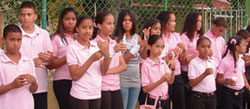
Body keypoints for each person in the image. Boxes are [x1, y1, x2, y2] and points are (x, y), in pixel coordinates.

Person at [67, 15, 112, 109]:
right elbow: (75, 76)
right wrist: (91, 59)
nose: (87, 31)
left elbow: (103, 71)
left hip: (95, 94)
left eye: (90, 28)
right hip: (80, 95)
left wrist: (107, 55)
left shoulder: (96, 46)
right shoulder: (72, 48)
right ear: (77, 29)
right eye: (84, 27)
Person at [18, 1, 53, 109]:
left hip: (41, 84)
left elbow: (50, 58)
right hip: (21, 85)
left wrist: (48, 58)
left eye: (29, 15)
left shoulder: (43, 34)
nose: (26, 18)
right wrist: (31, 63)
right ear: (19, 16)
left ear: (35, 16)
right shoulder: (16, 34)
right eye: (23, 15)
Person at [92, 11, 127, 109]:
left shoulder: (114, 43)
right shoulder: (94, 44)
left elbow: (123, 66)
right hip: (102, 88)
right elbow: (102, 68)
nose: (112, 26)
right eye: (109, 23)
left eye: (113, 23)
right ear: (99, 25)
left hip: (116, 86)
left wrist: (108, 71)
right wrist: (113, 51)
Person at [0, 24, 38, 109]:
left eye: (19, 40)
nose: (16, 44)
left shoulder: (28, 61)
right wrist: (12, 85)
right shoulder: (1, 62)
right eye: (12, 40)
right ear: (3, 40)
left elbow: (33, 90)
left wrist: (34, 81)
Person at [49, 7, 78, 109]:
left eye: (73, 19)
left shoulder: (82, 38)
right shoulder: (56, 38)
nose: (70, 22)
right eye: (67, 19)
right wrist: (68, 55)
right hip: (63, 81)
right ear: (62, 20)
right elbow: (50, 65)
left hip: (79, 81)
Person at [114, 10, 143, 109]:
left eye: (130, 20)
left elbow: (143, 56)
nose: (127, 22)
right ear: (120, 22)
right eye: (124, 20)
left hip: (135, 79)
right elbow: (120, 61)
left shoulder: (137, 37)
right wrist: (135, 50)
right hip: (123, 80)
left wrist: (145, 45)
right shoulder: (117, 39)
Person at [157, 11, 187, 109]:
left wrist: (184, 50)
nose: (174, 23)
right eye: (172, 21)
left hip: (176, 73)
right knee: (165, 103)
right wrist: (171, 54)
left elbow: (181, 58)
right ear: (164, 22)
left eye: (174, 21)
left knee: (180, 104)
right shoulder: (159, 37)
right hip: (164, 75)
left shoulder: (176, 36)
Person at [141, 35, 175, 109]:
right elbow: (145, 89)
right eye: (157, 46)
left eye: (162, 47)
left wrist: (173, 69)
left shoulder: (162, 62)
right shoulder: (146, 65)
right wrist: (161, 81)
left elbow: (170, 81)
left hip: (165, 99)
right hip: (153, 100)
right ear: (149, 47)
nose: (160, 50)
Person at [216, 36, 250, 109]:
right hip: (229, 93)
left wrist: (246, 84)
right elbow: (218, 79)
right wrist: (227, 81)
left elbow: (242, 73)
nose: (246, 47)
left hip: (240, 92)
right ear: (237, 47)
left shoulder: (241, 61)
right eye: (244, 45)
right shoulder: (225, 61)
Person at [180, 12, 204, 109]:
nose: (200, 24)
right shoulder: (184, 37)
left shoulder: (200, 37)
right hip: (187, 72)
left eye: (201, 21)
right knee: (189, 101)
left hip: (199, 71)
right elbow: (183, 61)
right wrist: (197, 55)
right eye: (197, 21)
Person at [188, 37, 217, 109]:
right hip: (199, 97)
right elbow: (191, 83)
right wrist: (205, 74)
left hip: (211, 96)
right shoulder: (194, 62)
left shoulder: (212, 62)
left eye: (208, 47)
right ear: (197, 48)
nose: (206, 49)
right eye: (203, 47)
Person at [139, 17, 161, 105]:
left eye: (159, 29)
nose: (158, 31)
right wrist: (147, 40)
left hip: (158, 82)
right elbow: (143, 55)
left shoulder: (161, 44)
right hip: (147, 82)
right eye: (156, 29)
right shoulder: (144, 42)